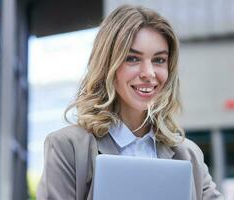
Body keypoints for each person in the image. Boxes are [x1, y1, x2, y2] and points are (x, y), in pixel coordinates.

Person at [36, 5, 223, 200]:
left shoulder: (189, 154)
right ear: (108, 64)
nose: (149, 73)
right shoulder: (68, 147)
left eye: (159, 60)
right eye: (132, 58)